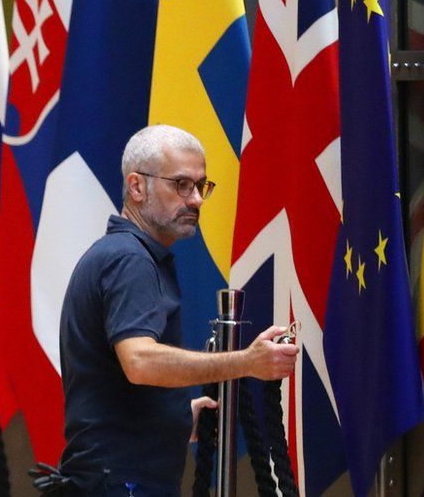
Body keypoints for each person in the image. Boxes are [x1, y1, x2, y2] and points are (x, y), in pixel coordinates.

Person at [53, 124, 298, 496]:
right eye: (181, 185)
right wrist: (248, 362)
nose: (196, 199)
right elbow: (140, 362)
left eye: (201, 186)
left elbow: (120, 376)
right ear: (136, 187)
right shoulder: (129, 259)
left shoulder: (127, 254)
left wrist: (176, 415)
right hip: (119, 483)